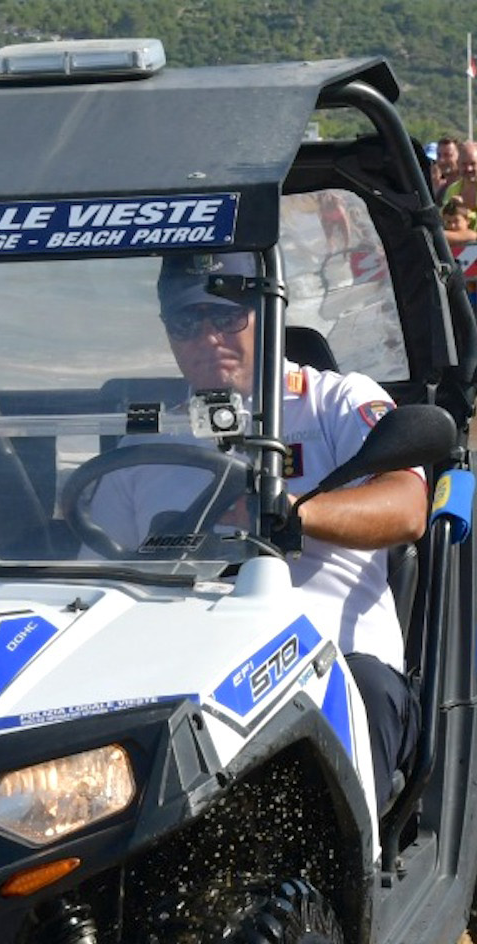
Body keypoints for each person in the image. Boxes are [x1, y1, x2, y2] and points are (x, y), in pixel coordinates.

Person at [95, 253, 429, 795]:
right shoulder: (146, 442)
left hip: (335, 655)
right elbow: (98, 568)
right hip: (183, 661)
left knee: (358, 699)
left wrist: (293, 513)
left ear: (266, 314)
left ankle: (357, 865)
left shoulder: (336, 401)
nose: (208, 337)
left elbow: (407, 505)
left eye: (226, 317)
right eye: (187, 322)